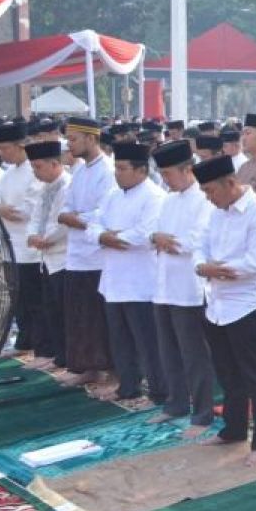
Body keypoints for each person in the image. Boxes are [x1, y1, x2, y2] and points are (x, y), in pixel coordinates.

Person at [193, 155, 256, 466]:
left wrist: (217, 269)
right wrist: (204, 266)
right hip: (216, 303)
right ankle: (234, 429)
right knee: (228, 375)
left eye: (211, 191)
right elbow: (199, 247)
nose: (208, 198)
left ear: (230, 183)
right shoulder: (215, 212)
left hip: (247, 304)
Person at [89, 142, 167, 404]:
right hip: (113, 279)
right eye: (116, 168)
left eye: (122, 168)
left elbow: (145, 235)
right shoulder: (113, 195)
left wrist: (110, 237)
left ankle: (158, 392)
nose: (117, 173)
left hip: (140, 281)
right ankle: (128, 387)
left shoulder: (154, 196)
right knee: (120, 339)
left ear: (141, 170)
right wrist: (104, 236)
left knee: (147, 342)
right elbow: (93, 226)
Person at [149, 140, 216, 436]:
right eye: (161, 174)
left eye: (169, 174)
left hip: (190, 287)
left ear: (187, 169)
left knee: (194, 354)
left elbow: (198, 241)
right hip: (164, 284)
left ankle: (202, 413)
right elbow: (156, 234)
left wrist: (167, 240)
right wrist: (159, 239)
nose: (165, 180)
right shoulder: (167, 199)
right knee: (168, 350)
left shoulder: (204, 199)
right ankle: (175, 403)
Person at [56, 117, 116, 388]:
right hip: (76, 256)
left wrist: (75, 219)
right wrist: (73, 217)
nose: (70, 144)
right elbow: (66, 207)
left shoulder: (108, 170)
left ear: (92, 138)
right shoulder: (79, 171)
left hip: (98, 257)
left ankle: (106, 369)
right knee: (79, 315)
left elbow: (105, 213)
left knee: (98, 317)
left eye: (74, 139)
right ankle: (87, 367)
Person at [0, 122, 43, 355]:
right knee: (17, 299)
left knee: (34, 300)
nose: (1, 154)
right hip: (9, 246)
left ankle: (39, 343)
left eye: (5, 148)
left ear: (21, 146)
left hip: (31, 249)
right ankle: (23, 341)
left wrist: (2, 210)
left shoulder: (35, 169)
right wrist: (2, 210)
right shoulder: (8, 174)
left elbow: (26, 212)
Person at [24, 141, 70, 370]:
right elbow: (35, 217)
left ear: (55, 164)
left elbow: (63, 221)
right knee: (50, 310)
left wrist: (46, 239)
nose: (35, 172)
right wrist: (33, 235)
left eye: (38, 167)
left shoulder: (67, 186)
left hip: (64, 258)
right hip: (46, 258)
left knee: (65, 313)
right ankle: (58, 356)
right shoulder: (43, 189)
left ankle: (70, 359)